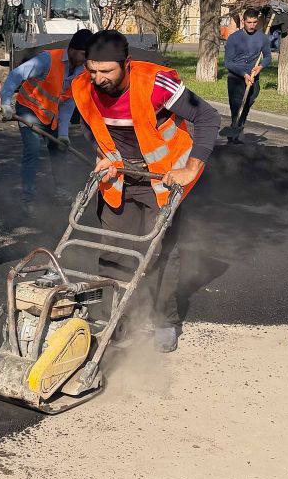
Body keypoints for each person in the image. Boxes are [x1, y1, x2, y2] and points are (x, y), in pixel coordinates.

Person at [71, 30, 221, 352]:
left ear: (126, 64)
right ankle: (116, 320)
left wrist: (192, 167)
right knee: (114, 250)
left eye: (106, 71)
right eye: (92, 70)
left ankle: (165, 321)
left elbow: (207, 116)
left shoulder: (155, 84)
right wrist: (103, 156)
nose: (97, 79)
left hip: (163, 179)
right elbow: (88, 123)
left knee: (161, 251)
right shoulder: (83, 87)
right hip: (120, 178)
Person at [1, 29, 92, 205]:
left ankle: (61, 191)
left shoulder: (82, 73)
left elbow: (67, 105)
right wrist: (6, 103)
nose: (85, 59)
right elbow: (15, 75)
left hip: (51, 114)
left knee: (60, 149)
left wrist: (64, 134)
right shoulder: (47, 60)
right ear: (72, 49)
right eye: (83, 54)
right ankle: (27, 197)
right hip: (29, 109)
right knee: (33, 150)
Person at [222, 8, 271, 141]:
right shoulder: (234, 38)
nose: (252, 25)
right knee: (236, 106)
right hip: (236, 78)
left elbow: (267, 57)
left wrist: (261, 66)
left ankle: (237, 128)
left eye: (254, 22)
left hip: (253, 78)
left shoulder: (262, 38)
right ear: (243, 21)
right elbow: (228, 63)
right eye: (249, 22)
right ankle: (235, 137)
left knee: (246, 105)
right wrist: (243, 74)